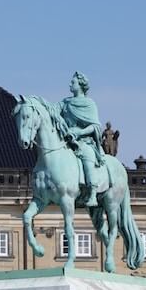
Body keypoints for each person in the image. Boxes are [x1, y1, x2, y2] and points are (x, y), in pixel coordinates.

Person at [56, 71, 104, 207]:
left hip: (84, 141)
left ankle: (92, 192)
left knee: (87, 156)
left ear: (81, 85)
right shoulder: (65, 102)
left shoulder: (89, 104)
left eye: (73, 82)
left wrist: (79, 133)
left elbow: (95, 126)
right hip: (66, 140)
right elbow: (53, 111)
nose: (70, 84)